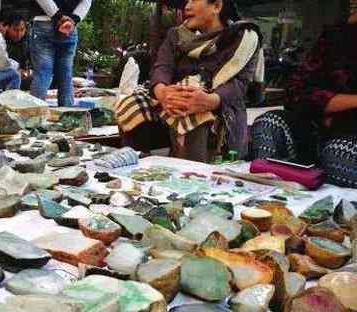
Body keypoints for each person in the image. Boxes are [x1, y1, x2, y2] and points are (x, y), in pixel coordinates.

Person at [116, 0, 262, 163]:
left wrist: (210, 100)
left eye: (194, 0)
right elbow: (161, 68)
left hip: (221, 108)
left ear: (216, 6)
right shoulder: (176, 35)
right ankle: (136, 163)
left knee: (195, 109)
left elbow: (240, 84)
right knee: (131, 102)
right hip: (174, 100)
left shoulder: (243, 38)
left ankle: (192, 173)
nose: (187, 6)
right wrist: (162, 92)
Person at [250, 0, 357, 188]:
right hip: (312, 129)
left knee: (339, 153)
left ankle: (335, 213)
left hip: (347, 141)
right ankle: (267, 202)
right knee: (268, 124)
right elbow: (297, 92)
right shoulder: (334, 37)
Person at [29, 0, 93, 107]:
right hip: (69, 26)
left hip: (44, 21)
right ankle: (68, 115)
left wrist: (58, 16)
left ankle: (35, 115)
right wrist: (73, 19)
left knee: (43, 73)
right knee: (66, 73)